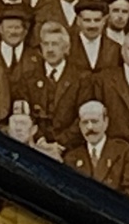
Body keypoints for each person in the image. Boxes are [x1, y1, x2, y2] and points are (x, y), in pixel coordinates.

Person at [12, 21, 84, 149]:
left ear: (66, 48)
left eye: (55, 44)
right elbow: (25, 115)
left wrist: (60, 144)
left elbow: (82, 117)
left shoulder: (80, 79)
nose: (50, 49)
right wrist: (40, 141)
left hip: (70, 148)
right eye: (46, 44)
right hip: (35, 145)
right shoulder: (28, 79)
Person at [68, 0, 121, 74]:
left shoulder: (115, 49)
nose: (92, 25)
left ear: (104, 21)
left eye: (97, 20)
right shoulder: (67, 46)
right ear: (78, 21)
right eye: (87, 20)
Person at [0, 5, 32, 79]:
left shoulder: (37, 57)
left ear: (25, 31)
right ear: (0, 29)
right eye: (9, 27)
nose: (13, 32)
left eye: (17, 28)